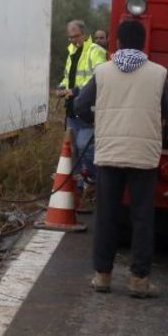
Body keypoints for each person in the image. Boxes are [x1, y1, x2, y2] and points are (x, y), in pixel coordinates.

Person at [73, 19, 168, 298]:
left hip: (109, 153)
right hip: (144, 157)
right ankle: (138, 281)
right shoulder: (158, 73)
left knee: (107, 216)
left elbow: (81, 105)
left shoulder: (103, 72)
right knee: (142, 218)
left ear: (116, 43)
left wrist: (100, 119)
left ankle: (102, 276)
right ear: (144, 43)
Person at [54, 20, 107, 211]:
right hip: (72, 111)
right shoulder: (72, 52)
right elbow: (69, 76)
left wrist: (76, 91)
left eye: (75, 36)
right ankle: (76, 194)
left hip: (86, 112)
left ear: (84, 34)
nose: (72, 39)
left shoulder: (95, 51)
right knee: (73, 152)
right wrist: (62, 87)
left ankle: (93, 182)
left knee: (86, 146)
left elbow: (99, 79)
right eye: (69, 36)